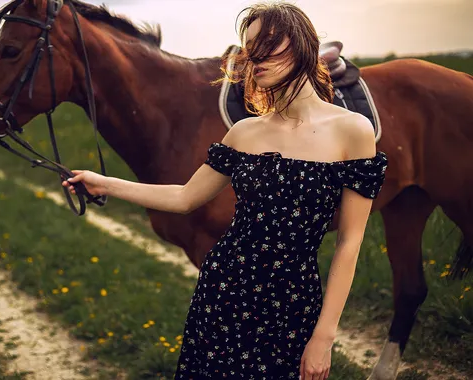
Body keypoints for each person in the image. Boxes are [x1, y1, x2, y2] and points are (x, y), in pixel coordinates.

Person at [62, 2, 387, 379]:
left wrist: (324, 336)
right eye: (249, 49)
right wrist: (105, 183)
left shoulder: (353, 131)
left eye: (267, 44)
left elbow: (350, 239)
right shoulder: (244, 132)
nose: (254, 58)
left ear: (301, 45)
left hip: (293, 304)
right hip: (221, 295)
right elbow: (185, 197)